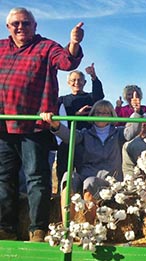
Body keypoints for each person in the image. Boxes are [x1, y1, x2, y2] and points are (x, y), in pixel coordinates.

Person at [0, 7, 83, 242]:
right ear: (8, 27)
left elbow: (67, 61)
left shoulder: (46, 46)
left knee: (36, 177)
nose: (20, 27)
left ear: (35, 26)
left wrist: (74, 43)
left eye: (26, 23)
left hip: (34, 125)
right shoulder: (0, 47)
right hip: (3, 125)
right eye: (15, 23)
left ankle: (38, 229)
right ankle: (6, 227)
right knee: (3, 178)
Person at [41, 98, 142, 225]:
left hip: (109, 180)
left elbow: (132, 132)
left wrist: (137, 112)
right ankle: (67, 227)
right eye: (98, 112)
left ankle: (88, 229)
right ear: (93, 115)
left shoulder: (118, 134)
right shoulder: (85, 134)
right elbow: (69, 136)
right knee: (68, 176)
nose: (101, 116)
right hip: (84, 177)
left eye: (105, 113)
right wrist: (56, 125)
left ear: (111, 115)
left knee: (90, 182)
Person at [55, 63, 105, 190]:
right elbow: (59, 119)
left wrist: (94, 76)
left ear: (84, 82)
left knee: (85, 170)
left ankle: (86, 196)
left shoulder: (90, 97)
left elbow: (99, 96)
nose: (76, 82)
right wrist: (76, 115)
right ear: (68, 82)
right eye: (73, 80)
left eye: (80, 80)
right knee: (64, 169)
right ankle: (63, 197)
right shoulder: (62, 100)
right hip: (67, 140)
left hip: (86, 140)